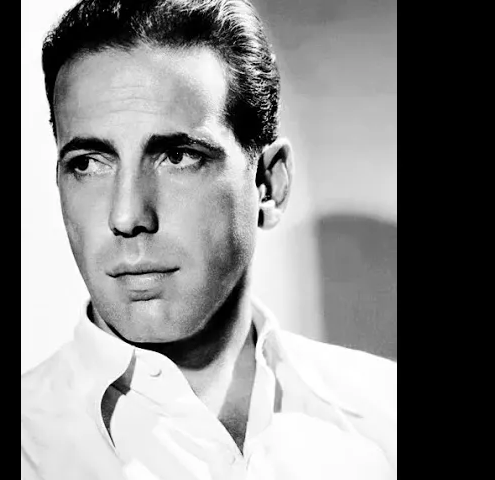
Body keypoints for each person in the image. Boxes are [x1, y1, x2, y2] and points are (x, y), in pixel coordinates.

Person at [20, 0, 397, 478]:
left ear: (268, 185)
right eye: (89, 164)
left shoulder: (386, 415)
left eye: (178, 157)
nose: (127, 216)